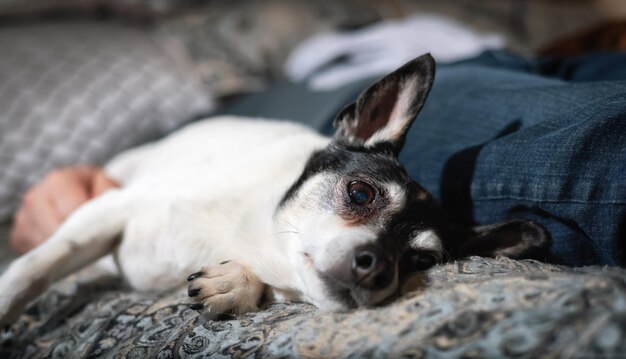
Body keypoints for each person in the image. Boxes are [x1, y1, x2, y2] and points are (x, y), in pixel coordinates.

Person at [10, 50, 626, 266]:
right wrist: (68, 191)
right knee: (592, 145)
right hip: (383, 94)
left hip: (528, 54)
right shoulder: (245, 102)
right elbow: (124, 183)